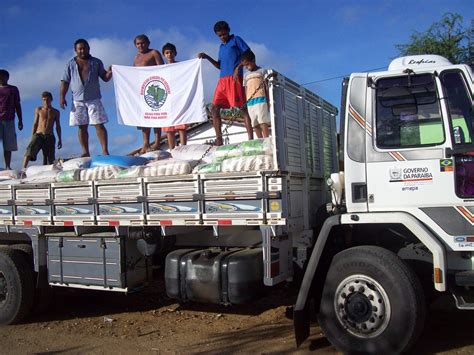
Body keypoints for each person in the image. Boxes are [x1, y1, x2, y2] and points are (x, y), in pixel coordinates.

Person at [198, 21, 253, 145]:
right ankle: (219, 139)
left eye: (224, 34)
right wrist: (207, 57)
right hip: (222, 80)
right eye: (220, 35)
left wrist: (239, 67)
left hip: (234, 78)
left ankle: (250, 138)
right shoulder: (221, 47)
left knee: (242, 108)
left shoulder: (236, 40)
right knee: (214, 108)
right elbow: (219, 65)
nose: (223, 37)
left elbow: (249, 53)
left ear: (228, 30)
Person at [60, 38, 112, 157]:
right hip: (77, 100)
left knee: (99, 124)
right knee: (81, 126)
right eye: (80, 49)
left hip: (94, 99)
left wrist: (109, 73)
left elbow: (104, 77)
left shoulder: (96, 62)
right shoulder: (70, 64)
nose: (82, 51)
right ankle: (85, 151)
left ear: (89, 49)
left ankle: (105, 151)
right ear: (76, 50)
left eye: (84, 48)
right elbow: (65, 81)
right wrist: (62, 97)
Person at [133, 34, 164, 153]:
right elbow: (132, 73)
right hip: (141, 90)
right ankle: (145, 143)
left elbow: (162, 69)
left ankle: (157, 142)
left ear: (148, 42)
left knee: (156, 115)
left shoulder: (154, 53)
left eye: (143, 43)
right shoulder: (136, 58)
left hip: (154, 87)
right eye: (138, 43)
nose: (141, 45)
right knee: (144, 117)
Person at [23, 92, 62, 169]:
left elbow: (58, 126)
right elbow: (35, 123)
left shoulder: (55, 112)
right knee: (30, 151)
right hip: (39, 134)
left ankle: (48, 171)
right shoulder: (39, 109)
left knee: (49, 158)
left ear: (51, 100)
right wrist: (32, 136)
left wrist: (59, 139)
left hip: (49, 135)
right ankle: (23, 168)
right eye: (44, 100)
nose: (45, 102)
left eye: (47, 100)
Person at [239, 50, 270, 138]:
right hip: (250, 101)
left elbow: (266, 86)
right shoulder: (246, 75)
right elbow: (245, 88)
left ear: (253, 61)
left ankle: (266, 139)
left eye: (247, 64)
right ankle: (260, 140)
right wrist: (245, 101)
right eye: (245, 66)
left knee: (262, 120)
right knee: (254, 122)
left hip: (261, 98)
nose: (247, 67)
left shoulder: (262, 71)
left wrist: (268, 100)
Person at [162, 42, 187, 150]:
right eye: (167, 53)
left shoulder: (181, 66)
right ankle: (172, 149)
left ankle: (184, 147)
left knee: (181, 125)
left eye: (171, 52)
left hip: (179, 98)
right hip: (167, 99)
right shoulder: (161, 69)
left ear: (175, 53)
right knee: (169, 127)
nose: (169, 54)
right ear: (164, 55)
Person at [0, 69, 23, 170]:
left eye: (3, 76)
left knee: (8, 145)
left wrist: (20, 120)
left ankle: (7, 166)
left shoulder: (13, 89)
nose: (1, 79)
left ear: (7, 78)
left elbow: (17, 105)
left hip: (9, 119)